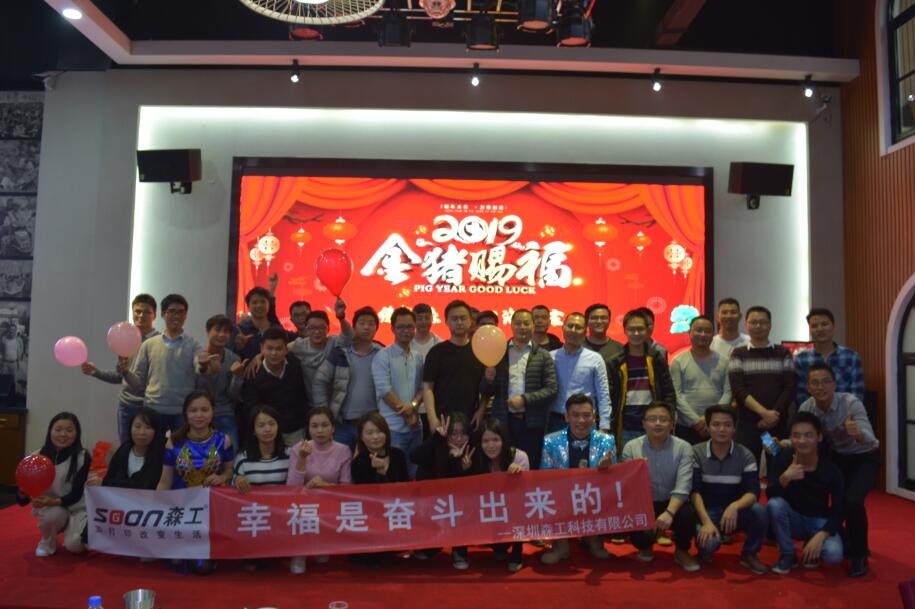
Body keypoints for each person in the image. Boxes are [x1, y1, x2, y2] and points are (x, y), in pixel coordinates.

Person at [799, 362, 878, 577]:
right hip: (837, 458)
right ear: (808, 387)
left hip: (864, 456)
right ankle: (845, 539)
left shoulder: (851, 403)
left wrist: (858, 433)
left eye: (826, 382)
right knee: (833, 499)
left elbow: (871, 440)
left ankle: (860, 555)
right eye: (815, 383)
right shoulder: (807, 407)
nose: (821, 387)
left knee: (853, 500)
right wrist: (779, 443)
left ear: (834, 384)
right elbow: (799, 436)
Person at [622, 402, 699, 572]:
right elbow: (629, 487)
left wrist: (669, 513)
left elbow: (684, 486)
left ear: (671, 424)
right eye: (652, 419)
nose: (657, 423)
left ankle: (682, 551)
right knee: (640, 532)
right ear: (644, 424)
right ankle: (645, 546)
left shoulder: (684, 447)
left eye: (663, 419)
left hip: (673, 502)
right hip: (644, 502)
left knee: (687, 514)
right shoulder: (631, 447)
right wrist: (646, 513)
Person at [690, 405, 768, 574]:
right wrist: (707, 522)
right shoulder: (696, 452)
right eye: (716, 424)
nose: (721, 429)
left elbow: (753, 492)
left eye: (727, 425)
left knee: (760, 511)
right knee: (708, 545)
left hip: (735, 513)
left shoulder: (745, 455)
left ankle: (750, 554)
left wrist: (734, 506)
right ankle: (705, 552)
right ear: (708, 427)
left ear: (734, 428)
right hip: (707, 511)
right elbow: (694, 492)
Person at [766, 411, 845, 574]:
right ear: (790, 438)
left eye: (808, 435)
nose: (802, 441)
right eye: (797, 435)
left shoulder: (831, 469)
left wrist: (822, 534)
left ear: (819, 437)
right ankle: (788, 554)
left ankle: (811, 543)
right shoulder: (782, 457)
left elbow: (839, 510)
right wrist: (785, 478)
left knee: (834, 555)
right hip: (792, 518)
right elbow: (770, 494)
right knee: (775, 504)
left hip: (818, 521)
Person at [540, 393, 615, 564]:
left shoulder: (607, 440)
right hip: (562, 495)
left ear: (594, 416)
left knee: (604, 496)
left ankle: (594, 540)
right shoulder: (550, 441)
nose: (581, 420)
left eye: (586, 415)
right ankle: (560, 545)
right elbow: (545, 476)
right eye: (575, 415)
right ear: (566, 417)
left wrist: (607, 470)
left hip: (594, 494)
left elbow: (617, 481)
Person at [480, 308, 557, 470]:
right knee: (504, 465)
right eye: (518, 323)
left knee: (530, 465)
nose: (522, 327)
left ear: (533, 326)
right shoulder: (499, 352)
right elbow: (486, 391)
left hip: (531, 423)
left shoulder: (543, 355)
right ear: (511, 325)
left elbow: (551, 389)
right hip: (503, 422)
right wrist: (488, 379)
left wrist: (524, 399)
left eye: (526, 323)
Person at [81, 294, 160, 443]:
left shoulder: (159, 342)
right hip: (127, 405)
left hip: (150, 405)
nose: (141, 315)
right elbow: (121, 377)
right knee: (125, 447)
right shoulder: (127, 339)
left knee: (151, 449)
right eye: (137, 311)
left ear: (154, 315)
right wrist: (96, 372)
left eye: (146, 312)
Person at [123, 294, 207, 433]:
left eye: (181, 312)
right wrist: (126, 372)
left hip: (182, 410)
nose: (176, 316)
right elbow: (138, 382)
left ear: (185, 316)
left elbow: (199, 368)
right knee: (152, 447)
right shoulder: (149, 344)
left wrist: (203, 365)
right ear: (163, 314)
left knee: (180, 447)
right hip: (153, 409)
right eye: (172, 311)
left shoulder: (194, 345)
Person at [287, 407, 353, 574]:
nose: (320, 430)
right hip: (303, 504)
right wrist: (302, 458)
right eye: (314, 426)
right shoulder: (298, 448)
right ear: (308, 429)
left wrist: (325, 486)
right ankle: (299, 552)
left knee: (323, 559)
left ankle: (321, 542)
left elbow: (347, 488)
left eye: (325, 425)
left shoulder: (343, 450)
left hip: (330, 503)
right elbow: (291, 487)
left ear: (333, 428)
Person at [728, 305, 795, 463]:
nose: (758, 326)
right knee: (748, 464)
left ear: (770, 325)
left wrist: (773, 415)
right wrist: (764, 413)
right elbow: (738, 389)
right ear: (746, 325)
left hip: (775, 425)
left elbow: (790, 387)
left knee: (776, 461)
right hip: (749, 426)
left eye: (763, 322)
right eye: (753, 322)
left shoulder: (783, 352)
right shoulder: (738, 354)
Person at [17, 412, 90, 557]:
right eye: (58, 429)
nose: (63, 434)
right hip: (52, 509)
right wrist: (23, 492)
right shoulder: (35, 457)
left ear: (77, 433)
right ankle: (47, 543)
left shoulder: (83, 457)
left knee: (75, 546)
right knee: (53, 515)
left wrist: (52, 501)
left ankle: (76, 528)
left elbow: (76, 495)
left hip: (76, 507)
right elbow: (22, 501)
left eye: (69, 430)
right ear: (50, 431)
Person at [410, 412, 476, 568]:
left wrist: (460, 465)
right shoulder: (437, 444)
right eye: (454, 434)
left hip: (459, 507)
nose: (458, 439)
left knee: (460, 505)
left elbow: (467, 490)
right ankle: (433, 546)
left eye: (463, 434)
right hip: (433, 504)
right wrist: (436, 437)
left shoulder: (472, 450)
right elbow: (414, 457)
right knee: (424, 553)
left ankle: (459, 551)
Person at [313, 306, 382, 450]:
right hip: (343, 424)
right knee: (340, 462)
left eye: (371, 324)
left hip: (374, 424)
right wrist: (324, 412)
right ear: (354, 327)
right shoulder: (340, 353)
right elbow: (319, 380)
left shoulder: (382, 354)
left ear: (377, 328)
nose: (366, 327)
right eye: (362, 323)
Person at [608, 309, 676, 451]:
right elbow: (610, 396)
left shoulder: (656, 359)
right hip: (626, 425)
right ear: (625, 331)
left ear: (647, 330)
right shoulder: (615, 362)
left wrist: (669, 418)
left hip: (654, 424)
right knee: (628, 463)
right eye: (631, 329)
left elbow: (668, 392)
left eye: (640, 329)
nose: (636, 333)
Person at [471, 417, 529, 572]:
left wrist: (517, 476)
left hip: (513, 509)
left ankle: (517, 551)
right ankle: (499, 546)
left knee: (518, 509)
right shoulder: (476, 458)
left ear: (504, 439)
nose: (490, 445)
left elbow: (525, 496)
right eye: (485, 441)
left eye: (495, 440)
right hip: (490, 509)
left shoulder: (519, 457)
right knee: (499, 547)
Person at [372, 307, 424, 478]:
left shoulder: (418, 357)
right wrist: (407, 414)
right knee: (393, 475)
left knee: (414, 473)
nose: (406, 331)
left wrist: (413, 406)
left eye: (409, 327)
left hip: (416, 427)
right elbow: (384, 389)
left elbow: (422, 388)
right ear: (392, 329)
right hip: (392, 428)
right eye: (401, 327)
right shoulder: (382, 356)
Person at [422, 300, 486, 435]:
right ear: (447, 322)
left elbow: (486, 387)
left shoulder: (479, 351)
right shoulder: (436, 352)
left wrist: (481, 411)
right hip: (442, 420)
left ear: (470, 321)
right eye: (454, 319)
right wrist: (432, 419)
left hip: (470, 420)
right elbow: (427, 388)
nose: (459, 322)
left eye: (463, 318)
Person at [241, 327, 309, 446]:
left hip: (295, 429)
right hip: (268, 431)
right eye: (269, 348)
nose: (274, 353)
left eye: (278, 349)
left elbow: (302, 398)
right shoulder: (253, 373)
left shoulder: (295, 365)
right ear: (262, 348)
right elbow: (252, 409)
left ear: (286, 349)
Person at [670, 316, 732, 445]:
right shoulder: (678, 361)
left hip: (717, 426)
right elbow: (676, 395)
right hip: (686, 426)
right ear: (690, 333)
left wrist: (711, 419)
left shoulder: (725, 361)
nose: (703, 334)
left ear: (713, 335)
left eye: (707, 331)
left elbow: (728, 392)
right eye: (698, 330)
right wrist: (696, 421)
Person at [548, 312, 611, 434]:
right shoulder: (551, 357)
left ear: (585, 331)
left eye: (578, 327)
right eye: (570, 326)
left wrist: (604, 426)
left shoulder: (595, 359)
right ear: (563, 328)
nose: (573, 330)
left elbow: (603, 394)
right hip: (556, 420)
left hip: (585, 420)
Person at [157, 391, 235, 490]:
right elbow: (165, 481)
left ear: (213, 412)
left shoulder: (224, 440)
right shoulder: (173, 441)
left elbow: (229, 471)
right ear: (186, 413)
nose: (199, 415)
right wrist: (157, 499)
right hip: (180, 498)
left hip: (212, 497)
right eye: (193, 410)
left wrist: (222, 477)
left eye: (204, 410)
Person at [286, 301, 353, 408]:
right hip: (311, 406)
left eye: (321, 328)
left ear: (328, 329)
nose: (317, 332)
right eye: (312, 328)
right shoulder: (299, 345)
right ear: (307, 329)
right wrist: (259, 357)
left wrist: (341, 318)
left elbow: (349, 335)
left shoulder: (334, 342)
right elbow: (279, 349)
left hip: (337, 404)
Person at [794, 307, 865, 405]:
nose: (820, 329)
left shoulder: (851, 357)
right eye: (814, 326)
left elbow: (857, 393)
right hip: (812, 413)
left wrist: (846, 413)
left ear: (833, 327)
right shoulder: (801, 359)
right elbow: (801, 395)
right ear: (809, 330)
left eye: (824, 324)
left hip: (846, 412)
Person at [196, 314, 245, 448]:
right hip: (198, 412)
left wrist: (238, 377)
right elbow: (192, 389)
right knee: (198, 453)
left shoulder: (233, 358)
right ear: (208, 331)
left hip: (224, 412)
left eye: (226, 331)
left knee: (230, 449)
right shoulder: (196, 355)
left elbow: (232, 396)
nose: (221, 335)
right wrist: (203, 368)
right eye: (217, 330)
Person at [89, 407, 165, 490]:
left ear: (156, 431)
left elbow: (144, 486)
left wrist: (105, 482)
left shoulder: (159, 455)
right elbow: (110, 477)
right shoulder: (124, 449)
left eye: (148, 427)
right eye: (137, 426)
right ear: (130, 428)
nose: (142, 432)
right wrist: (100, 482)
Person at [233, 405, 291, 492]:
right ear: (253, 430)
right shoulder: (242, 458)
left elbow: (297, 486)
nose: (267, 429)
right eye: (261, 425)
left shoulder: (290, 454)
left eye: (272, 424)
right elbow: (232, 489)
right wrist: (238, 480)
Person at [234, 286, 284, 361]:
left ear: (269, 305)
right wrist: (238, 348)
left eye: (263, 302)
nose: (259, 305)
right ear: (248, 306)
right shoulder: (240, 329)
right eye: (254, 302)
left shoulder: (277, 330)